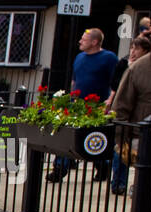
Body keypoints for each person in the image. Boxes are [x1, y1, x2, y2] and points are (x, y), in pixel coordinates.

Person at [48, 28, 119, 182]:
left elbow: (116, 81)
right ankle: (59, 168)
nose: (80, 41)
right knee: (67, 135)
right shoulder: (79, 57)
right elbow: (75, 79)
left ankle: (102, 165)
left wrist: (110, 100)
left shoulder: (109, 58)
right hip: (77, 105)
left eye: (84, 39)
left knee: (94, 139)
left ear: (94, 42)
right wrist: (71, 97)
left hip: (97, 105)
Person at [109, 33, 151, 195]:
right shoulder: (136, 67)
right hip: (140, 133)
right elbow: (121, 104)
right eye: (131, 48)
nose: (132, 51)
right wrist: (121, 138)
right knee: (145, 180)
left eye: (136, 48)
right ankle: (120, 184)